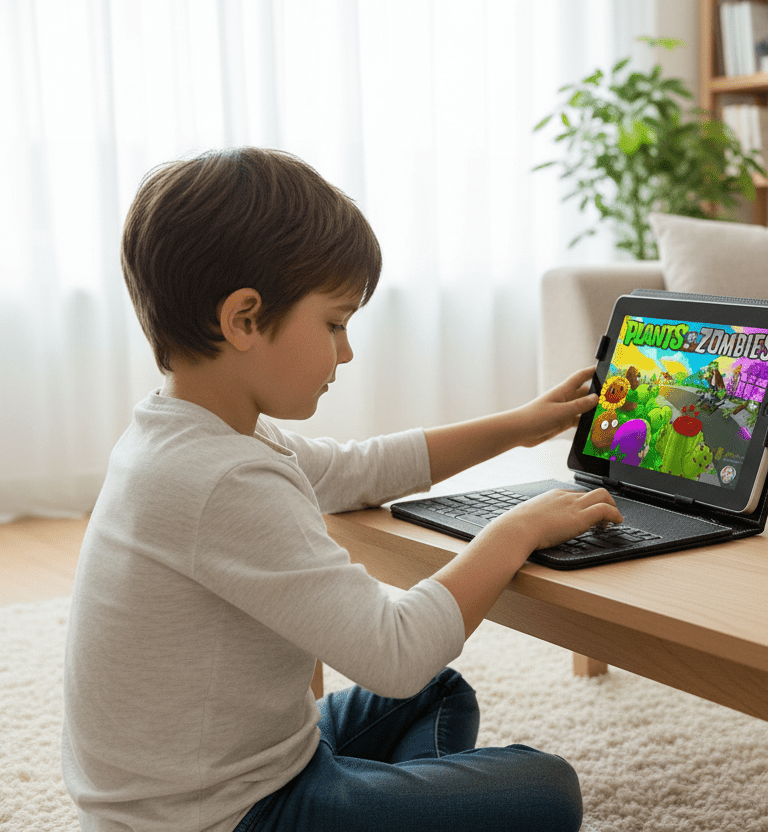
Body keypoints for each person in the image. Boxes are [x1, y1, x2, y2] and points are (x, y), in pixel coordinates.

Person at [61, 147, 621, 832]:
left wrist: (520, 426)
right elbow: (396, 651)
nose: (347, 351)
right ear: (243, 319)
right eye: (334, 323)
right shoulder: (220, 480)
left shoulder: (195, 433)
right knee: (549, 790)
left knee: (440, 697)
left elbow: (358, 469)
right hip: (224, 816)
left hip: (250, 762)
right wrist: (518, 529)